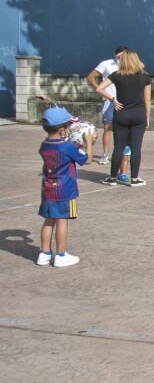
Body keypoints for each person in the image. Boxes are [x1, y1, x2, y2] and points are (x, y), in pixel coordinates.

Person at [37, 107, 89, 268]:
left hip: (48, 189)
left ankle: (44, 254)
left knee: (49, 220)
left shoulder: (44, 145)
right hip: (65, 190)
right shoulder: (67, 147)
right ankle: (61, 255)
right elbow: (86, 160)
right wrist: (88, 142)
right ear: (62, 129)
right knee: (62, 221)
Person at [95, 49, 151, 186]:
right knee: (136, 147)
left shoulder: (117, 75)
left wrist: (113, 99)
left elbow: (99, 88)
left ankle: (113, 177)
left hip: (122, 113)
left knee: (119, 146)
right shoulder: (145, 76)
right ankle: (135, 178)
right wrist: (147, 117)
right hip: (139, 114)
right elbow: (147, 100)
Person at [86, 45, 126, 163]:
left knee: (123, 128)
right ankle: (105, 154)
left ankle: (120, 154)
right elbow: (91, 76)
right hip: (109, 100)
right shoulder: (107, 64)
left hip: (124, 100)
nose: (122, 57)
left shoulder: (130, 66)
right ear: (116, 55)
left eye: (125, 55)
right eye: (120, 55)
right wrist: (100, 91)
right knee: (108, 127)